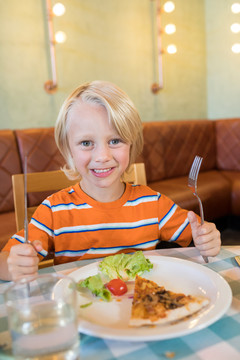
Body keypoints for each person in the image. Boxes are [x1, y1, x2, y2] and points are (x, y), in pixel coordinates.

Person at [0, 81, 221, 281]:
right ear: (68, 150)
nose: (102, 156)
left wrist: (207, 238)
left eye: (115, 140)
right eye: (86, 143)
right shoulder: (53, 212)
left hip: (142, 309)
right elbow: (5, 260)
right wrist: (13, 265)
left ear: (131, 146)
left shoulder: (153, 204)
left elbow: (197, 236)